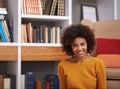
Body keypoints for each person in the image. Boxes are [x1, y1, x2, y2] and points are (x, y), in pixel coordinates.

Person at [57, 24, 107, 89]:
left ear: (88, 44)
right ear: (70, 47)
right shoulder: (63, 65)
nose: (79, 49)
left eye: (82, 44)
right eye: (75, 45)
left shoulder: (98, 64)